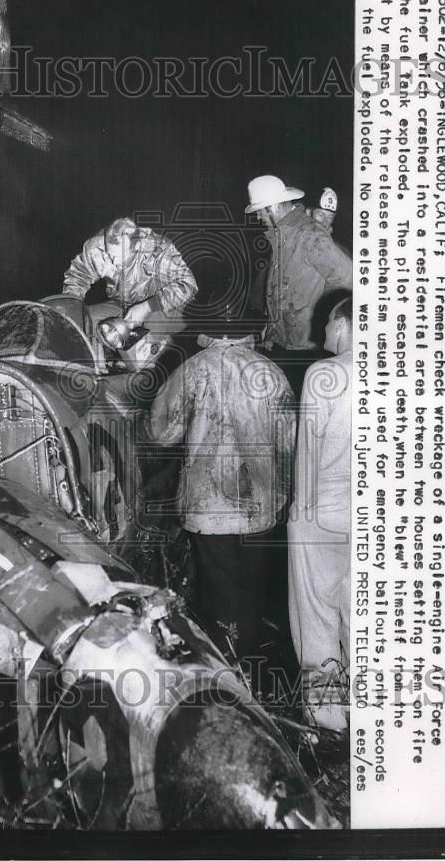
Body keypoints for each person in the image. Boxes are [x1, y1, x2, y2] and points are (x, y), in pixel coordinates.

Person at [148, 315, 296, 666]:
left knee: (218, 591)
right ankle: (250, 662)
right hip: (259, 503)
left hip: (207, 505)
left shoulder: (193, 369)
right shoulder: (270, 372)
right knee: (253, 585)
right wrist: (284, 492)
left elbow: (161, 433)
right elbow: (288, 440)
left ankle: (225, 668)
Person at [287, 296, 352, 731]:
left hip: (321, 507)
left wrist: (298, 511)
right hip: (372, 511)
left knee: (315, 614)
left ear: (345, 323)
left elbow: (308, 450)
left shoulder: (324, 374)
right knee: (360, 610)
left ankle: (329, 717)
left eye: (328, 322)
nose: (322, 332)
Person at [244, 175, 352, 397]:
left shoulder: (309, 235)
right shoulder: (283, 235)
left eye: (260, 211)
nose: (257, 217)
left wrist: (320, 320)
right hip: (283, 343)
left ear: (274, 207)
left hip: (305, 350)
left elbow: (347, 278)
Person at [62, 217, 198, 328]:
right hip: (123, 304)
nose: (114, 262)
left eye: (120, 257)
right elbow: (78, 276)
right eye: (110, 255)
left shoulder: (157, 250)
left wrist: (147, 307)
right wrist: (72, 306)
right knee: (84, 323)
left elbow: (189, 284)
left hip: (165, 304)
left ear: (137, 247)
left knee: (146, 334)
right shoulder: (98, 248)